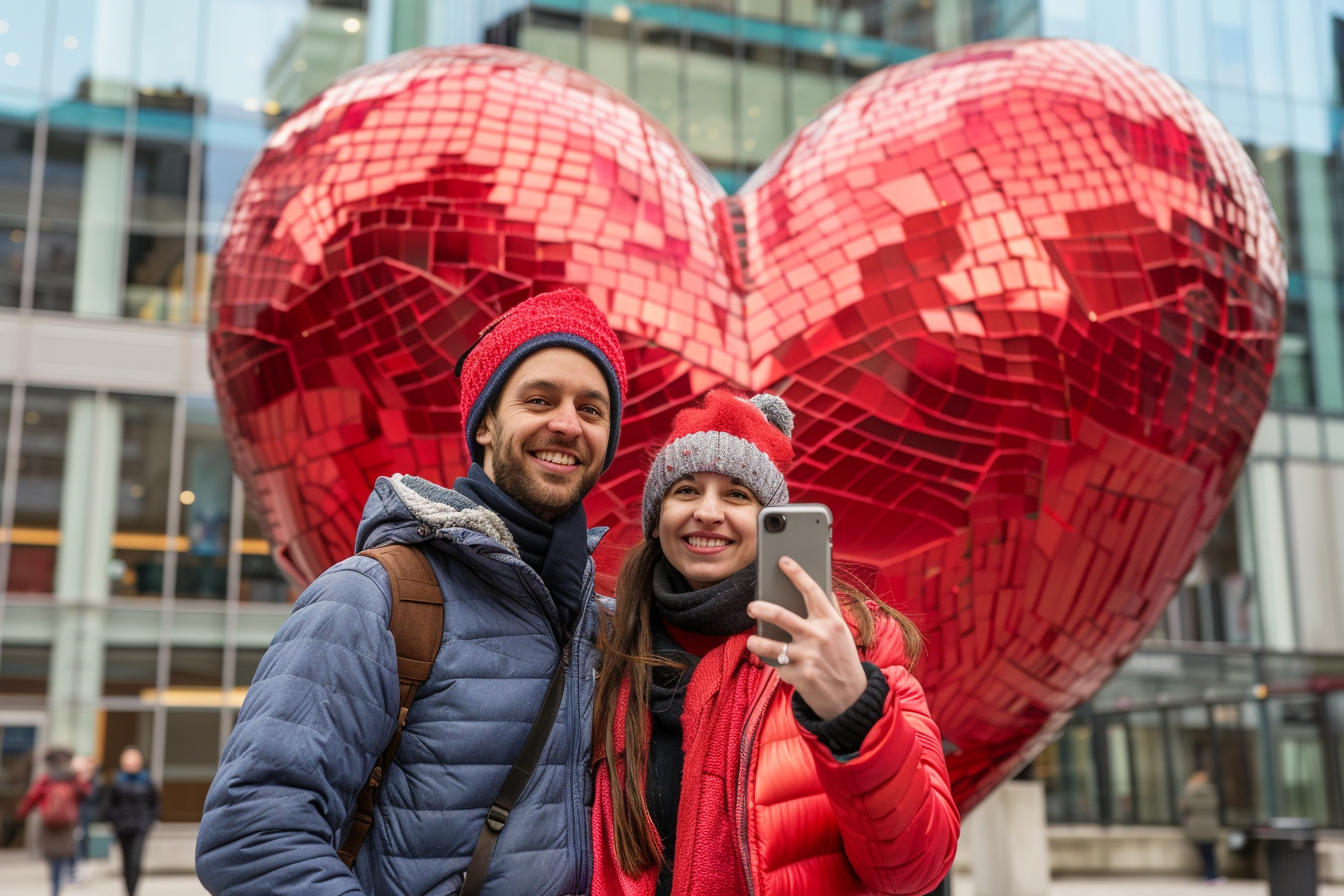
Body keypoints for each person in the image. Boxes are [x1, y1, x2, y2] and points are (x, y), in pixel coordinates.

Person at [197, 287, 628, 896]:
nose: (566, 423)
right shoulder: (372, 596)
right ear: (484, 423)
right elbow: (252, 839)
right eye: (539, 399)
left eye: (592, 409)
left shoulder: (606, 631)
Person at [591, 389, 960, 896]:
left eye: (738, 495)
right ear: (655, 519)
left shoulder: (857, 645)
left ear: (771, 526)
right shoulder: (603, 648)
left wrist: (852, 713)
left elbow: (915, 868)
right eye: (686, 490)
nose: (708, 512)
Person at [16, 745, 91, 896]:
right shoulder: (72, 777)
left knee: (53, 858)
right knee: (63, 854)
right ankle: (61, 882)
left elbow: (32, 796)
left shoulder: (47, 778)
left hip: (49, 822)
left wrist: (22, 813)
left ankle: (56, 887)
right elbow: (86, 793)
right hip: (67, 823)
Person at [103, 747, 159, 896]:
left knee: (135, 862)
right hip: (122, 828)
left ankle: (133, 892)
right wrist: (115, 820)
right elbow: (108, 805)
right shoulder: (116, 781)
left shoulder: (147, 781)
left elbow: (155, 804)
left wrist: (149, 820)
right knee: (126, 863)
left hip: (140, 828)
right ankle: (128, 891)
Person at [1180, 768, 1225, 884]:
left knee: (1203, 853)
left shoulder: (1189, 792)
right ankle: (1212, 875)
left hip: (1195, 826)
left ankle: (1208, 875)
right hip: (1209, 825)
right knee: (1210, 852)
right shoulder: (1210, 791)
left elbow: (1185, 809)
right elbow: (1216, 807)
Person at [70, 754, 100, 884]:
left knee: (81, 842)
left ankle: (78, 868)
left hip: (83, 816)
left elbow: (92, 796)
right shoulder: (70, 779)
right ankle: (71, 869)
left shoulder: (91, 780)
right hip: (71, 817)